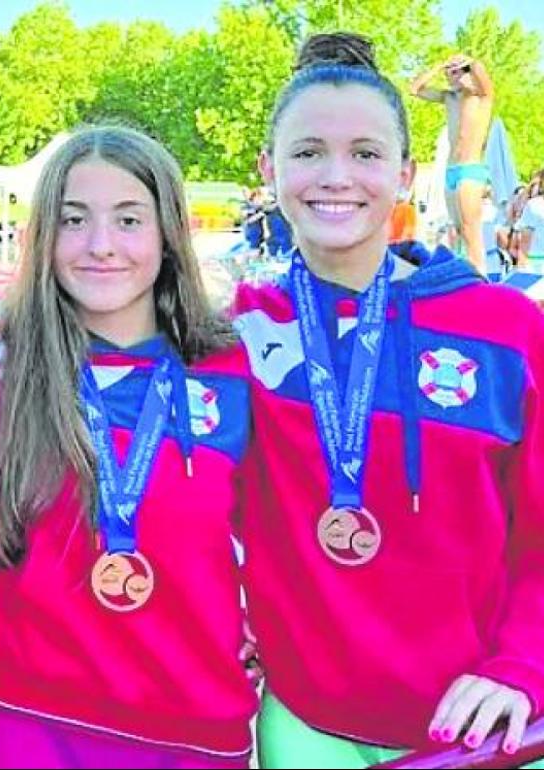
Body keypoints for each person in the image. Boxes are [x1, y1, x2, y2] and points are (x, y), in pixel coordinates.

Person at [233, 32, 544, 767]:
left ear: (405, 173)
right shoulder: (237, 332)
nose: (336, 176)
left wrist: (523, 666)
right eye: (307, 152)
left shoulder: (506, 330)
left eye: (366, 154)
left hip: (477, 731)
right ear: (268, 170)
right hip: (306, 725)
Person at [0, 126, 258, 768]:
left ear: (168, 236)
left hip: (194, 726)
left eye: (129, 219)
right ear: (44, 237)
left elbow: (280, 526)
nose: (101, 246)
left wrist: (275, 619)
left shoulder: (236, 371)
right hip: (37, 723)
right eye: (75, 220)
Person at [410, 53, 494, 273]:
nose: (450, 76)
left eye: (455, 72)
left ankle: (481, 277)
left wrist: (467, 61)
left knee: (470, 230)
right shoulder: (449, 98)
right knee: (456, 230)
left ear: (466, 74)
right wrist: (439, 65)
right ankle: (465, 276)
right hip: (451, 170)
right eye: (449, 73)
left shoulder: (481, 97)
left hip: (470, 169)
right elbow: (415, 89)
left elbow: (480, 70)